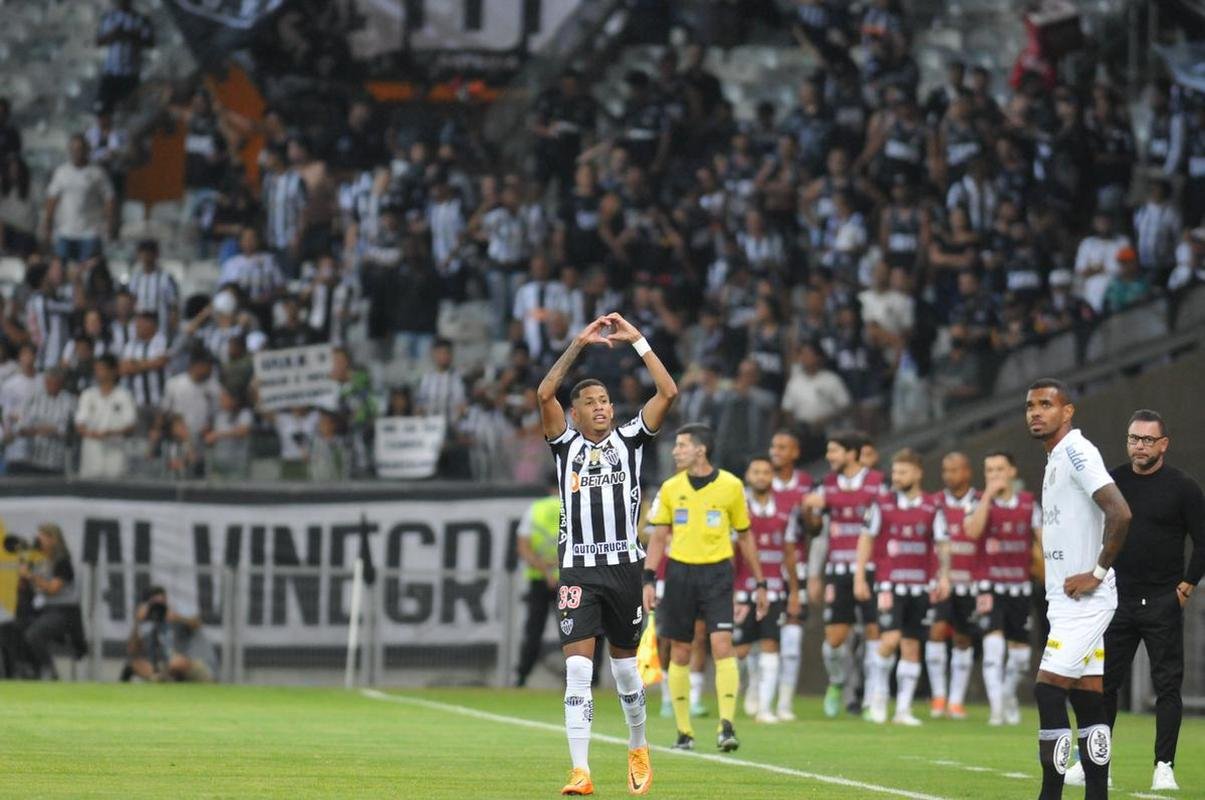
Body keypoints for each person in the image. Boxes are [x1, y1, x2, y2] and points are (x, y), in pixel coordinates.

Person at [537, 313, 677, 797]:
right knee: (578, 668)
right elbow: (543, 394)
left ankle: (638, 746)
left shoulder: (632, 439)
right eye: (590, 403)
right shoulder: (564, 445)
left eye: (604, 401)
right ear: (574, 415)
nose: (600, 408)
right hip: (578, 566)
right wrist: (577, 344)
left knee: (624, 670)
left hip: (623, 567)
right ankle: (580, 770)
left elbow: (669, 393)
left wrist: (638, 339)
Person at [1065, 410, 1204, 792]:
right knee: (1102, 685)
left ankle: (1164, 766)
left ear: (1164, 444)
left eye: (1147, 439)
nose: (1139, 446)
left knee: (1168, 687)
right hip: (1117, 599)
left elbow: (1203, 541)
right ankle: (1096, 764)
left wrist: (1186, 587)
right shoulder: (1113, 481)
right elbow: (1091, 528)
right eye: (1133, 438)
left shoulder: (1183, 487)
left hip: (1163, 600)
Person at [1024, 378, 1132, 800]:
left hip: (1086, 601)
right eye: (1031, 405)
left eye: (1046, 404)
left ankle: (1050, 795)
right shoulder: (1054, 458)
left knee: (1048, 689)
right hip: (1064, 601)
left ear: (1067, 412)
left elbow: (1120, 513)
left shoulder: (1075, 451)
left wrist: (1098, 572)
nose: (1036, 412)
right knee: (1088, 699)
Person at [645, 423, 765, 753]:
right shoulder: (670, 488)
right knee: (680, 651)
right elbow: (658, 537)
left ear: (701, 450)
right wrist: (648, 578)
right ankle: (684, 731)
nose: (675, 451)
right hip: (680, 573)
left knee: (722, 644)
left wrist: (760, 582)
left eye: (681, 445)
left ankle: (726, 725)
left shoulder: (731, 486)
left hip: (717, 575)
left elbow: (745, 535)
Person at [857, 448, 950, 725]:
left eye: (903, 472)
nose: (897, 477)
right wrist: (859, 576)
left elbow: (943, 544)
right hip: (889, 585)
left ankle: (903, 710)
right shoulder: (881, 504)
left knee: (912, 646)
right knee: (889, 640)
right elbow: (866, 539)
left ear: (918, 473)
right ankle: (878, 697)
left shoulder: (932, 506)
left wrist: (944, 575)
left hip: (920, 586)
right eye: (895, 472)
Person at [802, 432, 885, 718]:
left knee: (875, 634)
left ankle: (874, 697)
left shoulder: (877, 483)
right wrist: (808, 510)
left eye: (834, 451)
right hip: (838, 569)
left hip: (873, 569)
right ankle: (837, 682)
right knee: (835, 639)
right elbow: (814, 530)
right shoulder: (827, 484)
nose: (829, 457)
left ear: (851, 454)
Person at [964, 450, 1042, 726]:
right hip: (989, 584)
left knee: (1021, 657)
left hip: (1019, 586)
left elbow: (1043, 541)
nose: (994, 475)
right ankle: (996, 708)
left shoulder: (1028, 504)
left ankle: (1008, 695)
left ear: (1012, 472)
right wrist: (987, 495)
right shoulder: (976, 501)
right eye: (989, 470)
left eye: (999, 469)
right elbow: (972, 531)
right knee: (994, 646)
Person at [733, 456, 800, 724]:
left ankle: (765, 707)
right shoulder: (738, 506)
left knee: (772, 644)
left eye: (766, 472)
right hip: (742, 591)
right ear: (748, 476)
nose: (761, 476)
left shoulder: (786, 508)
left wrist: (794, 591)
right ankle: (751, 685)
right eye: (756, 471)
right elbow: (729, 552)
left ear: (772, 476)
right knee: (741, 651)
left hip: (774, 589)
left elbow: (790, 552)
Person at [926, 451, 981, 720]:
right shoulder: (934, 503)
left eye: (955, 470)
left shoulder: (981, 502)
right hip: (942, 582)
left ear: (967, 472)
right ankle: (939, 696)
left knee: (963, 637)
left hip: (970, 583)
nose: (949, 475)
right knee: (936, 631)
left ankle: (956, 701)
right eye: (945, 470)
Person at [766, 429, 813, 720]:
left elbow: (813, 530)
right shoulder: (760, 481)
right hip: (763, 568)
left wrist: (811, 513)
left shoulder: (806, 485)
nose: (776, 451)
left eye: (783, 447)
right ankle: (758, 690)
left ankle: (784, 703)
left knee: (793, 635)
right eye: (774, 446)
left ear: (795, 452)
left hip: (797, 566)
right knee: (759, 636)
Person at [18, 524, 84, 680]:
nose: (38, 540)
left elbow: (53, 589)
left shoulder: (62, 561)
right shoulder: (37, 560)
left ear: (53, 539)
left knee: (34, 634)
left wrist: (31, 576)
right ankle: (28, 669)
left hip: (64, 610)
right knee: (15, 628)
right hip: (43, 609)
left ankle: (49, 670)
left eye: (42, 536)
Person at [515, 483, 561, 688]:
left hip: (539, 580)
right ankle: (589, 679)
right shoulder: (577, 505)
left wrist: (545, 571)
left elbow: (523, 547)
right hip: (569, 579)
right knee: (577, 631)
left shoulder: (535, 509)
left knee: (534, 629)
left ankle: (522, 677)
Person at [123, 585, 212, 682]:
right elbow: (132, 650)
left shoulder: (174, 618)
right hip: (160, 666)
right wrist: (137, 623)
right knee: (135, 664)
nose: (158, 609)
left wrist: (177, 618)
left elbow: (197, 623)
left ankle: (160, 678)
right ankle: (158, 678)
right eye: (155, 605)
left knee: (176, 663)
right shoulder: (146, 627)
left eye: (161, 603)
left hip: (186, 663)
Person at [75, 354, 137, 478]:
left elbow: (130, 426)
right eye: (96, 369)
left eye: (102, 369)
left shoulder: (124, 396)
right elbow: (79, 424)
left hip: (116, 456)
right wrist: (91, 433)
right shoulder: (88, 395)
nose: (98, 373)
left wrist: (110, 433)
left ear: (113, 371)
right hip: (91, 457)